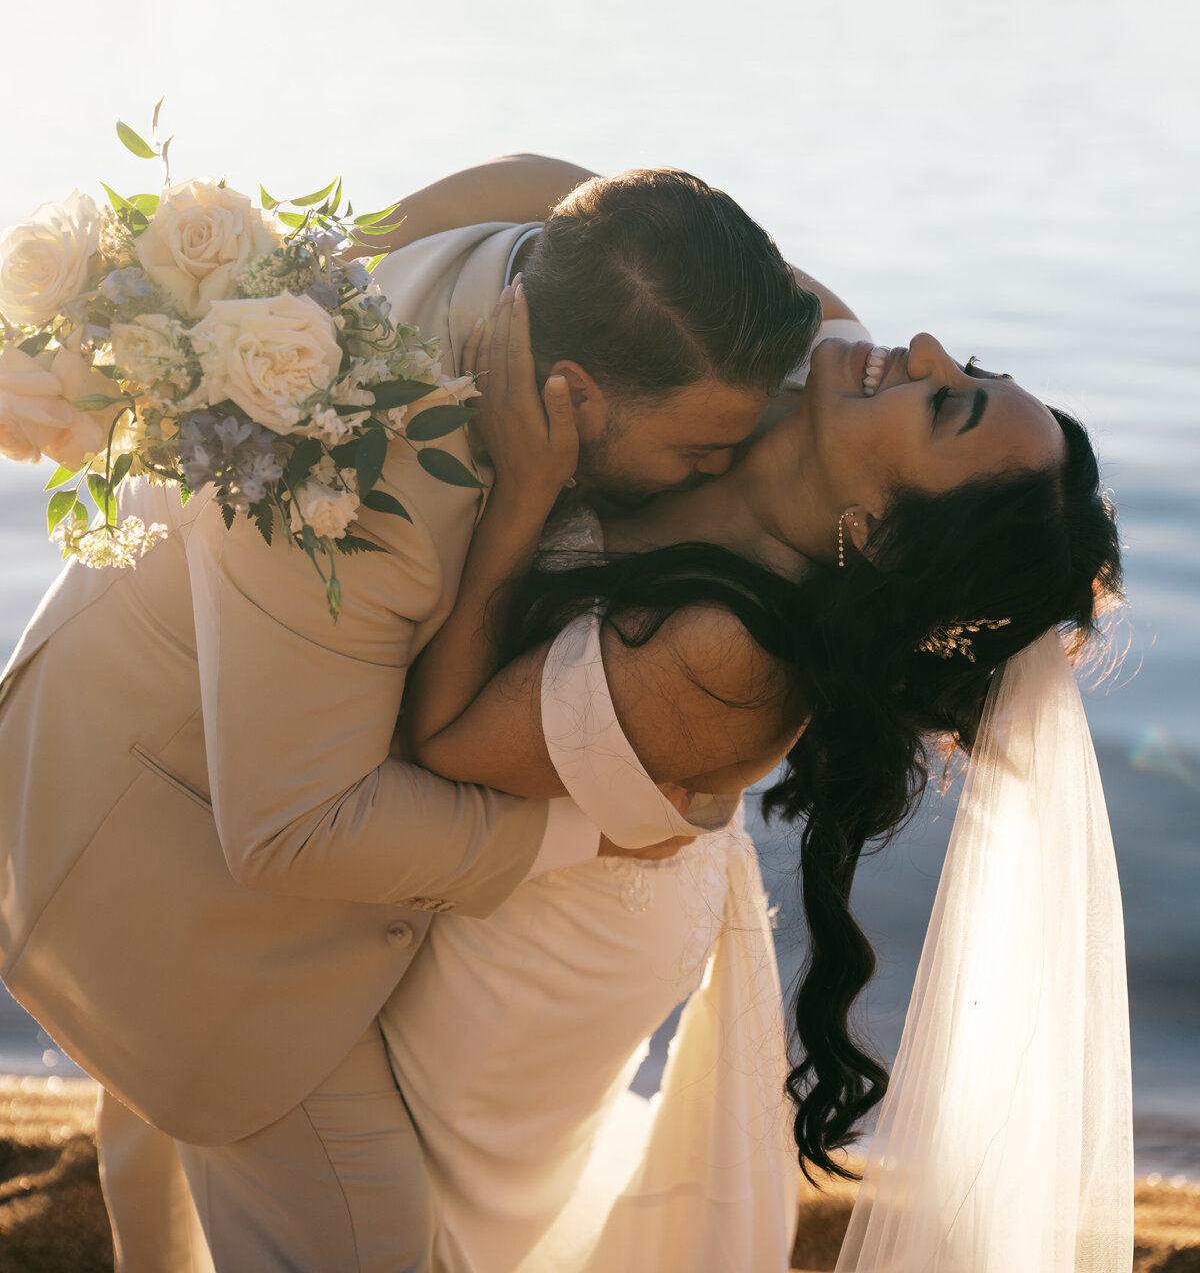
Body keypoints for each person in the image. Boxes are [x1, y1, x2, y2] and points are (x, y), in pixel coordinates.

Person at [0, 161, 818, 1273]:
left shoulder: (565, 250)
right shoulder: (365, 487)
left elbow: (544, 173)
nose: (723, 468)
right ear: (567, 397)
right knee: (365, 1238)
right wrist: (586, 835)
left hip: (145, 686)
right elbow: (292, 829)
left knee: (162, 1152)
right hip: (154, 852)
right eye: (700, 453)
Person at [360, 231, 1124, 1269]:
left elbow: (448, 740)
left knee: (450, 1197)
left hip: (551, 945)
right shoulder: (821, 360)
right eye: (973, 372)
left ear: (885, 535)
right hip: (568, 850)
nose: (931, 350)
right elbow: (636, 233)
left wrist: (525, 493)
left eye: (948, 404)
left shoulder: (730, 662)